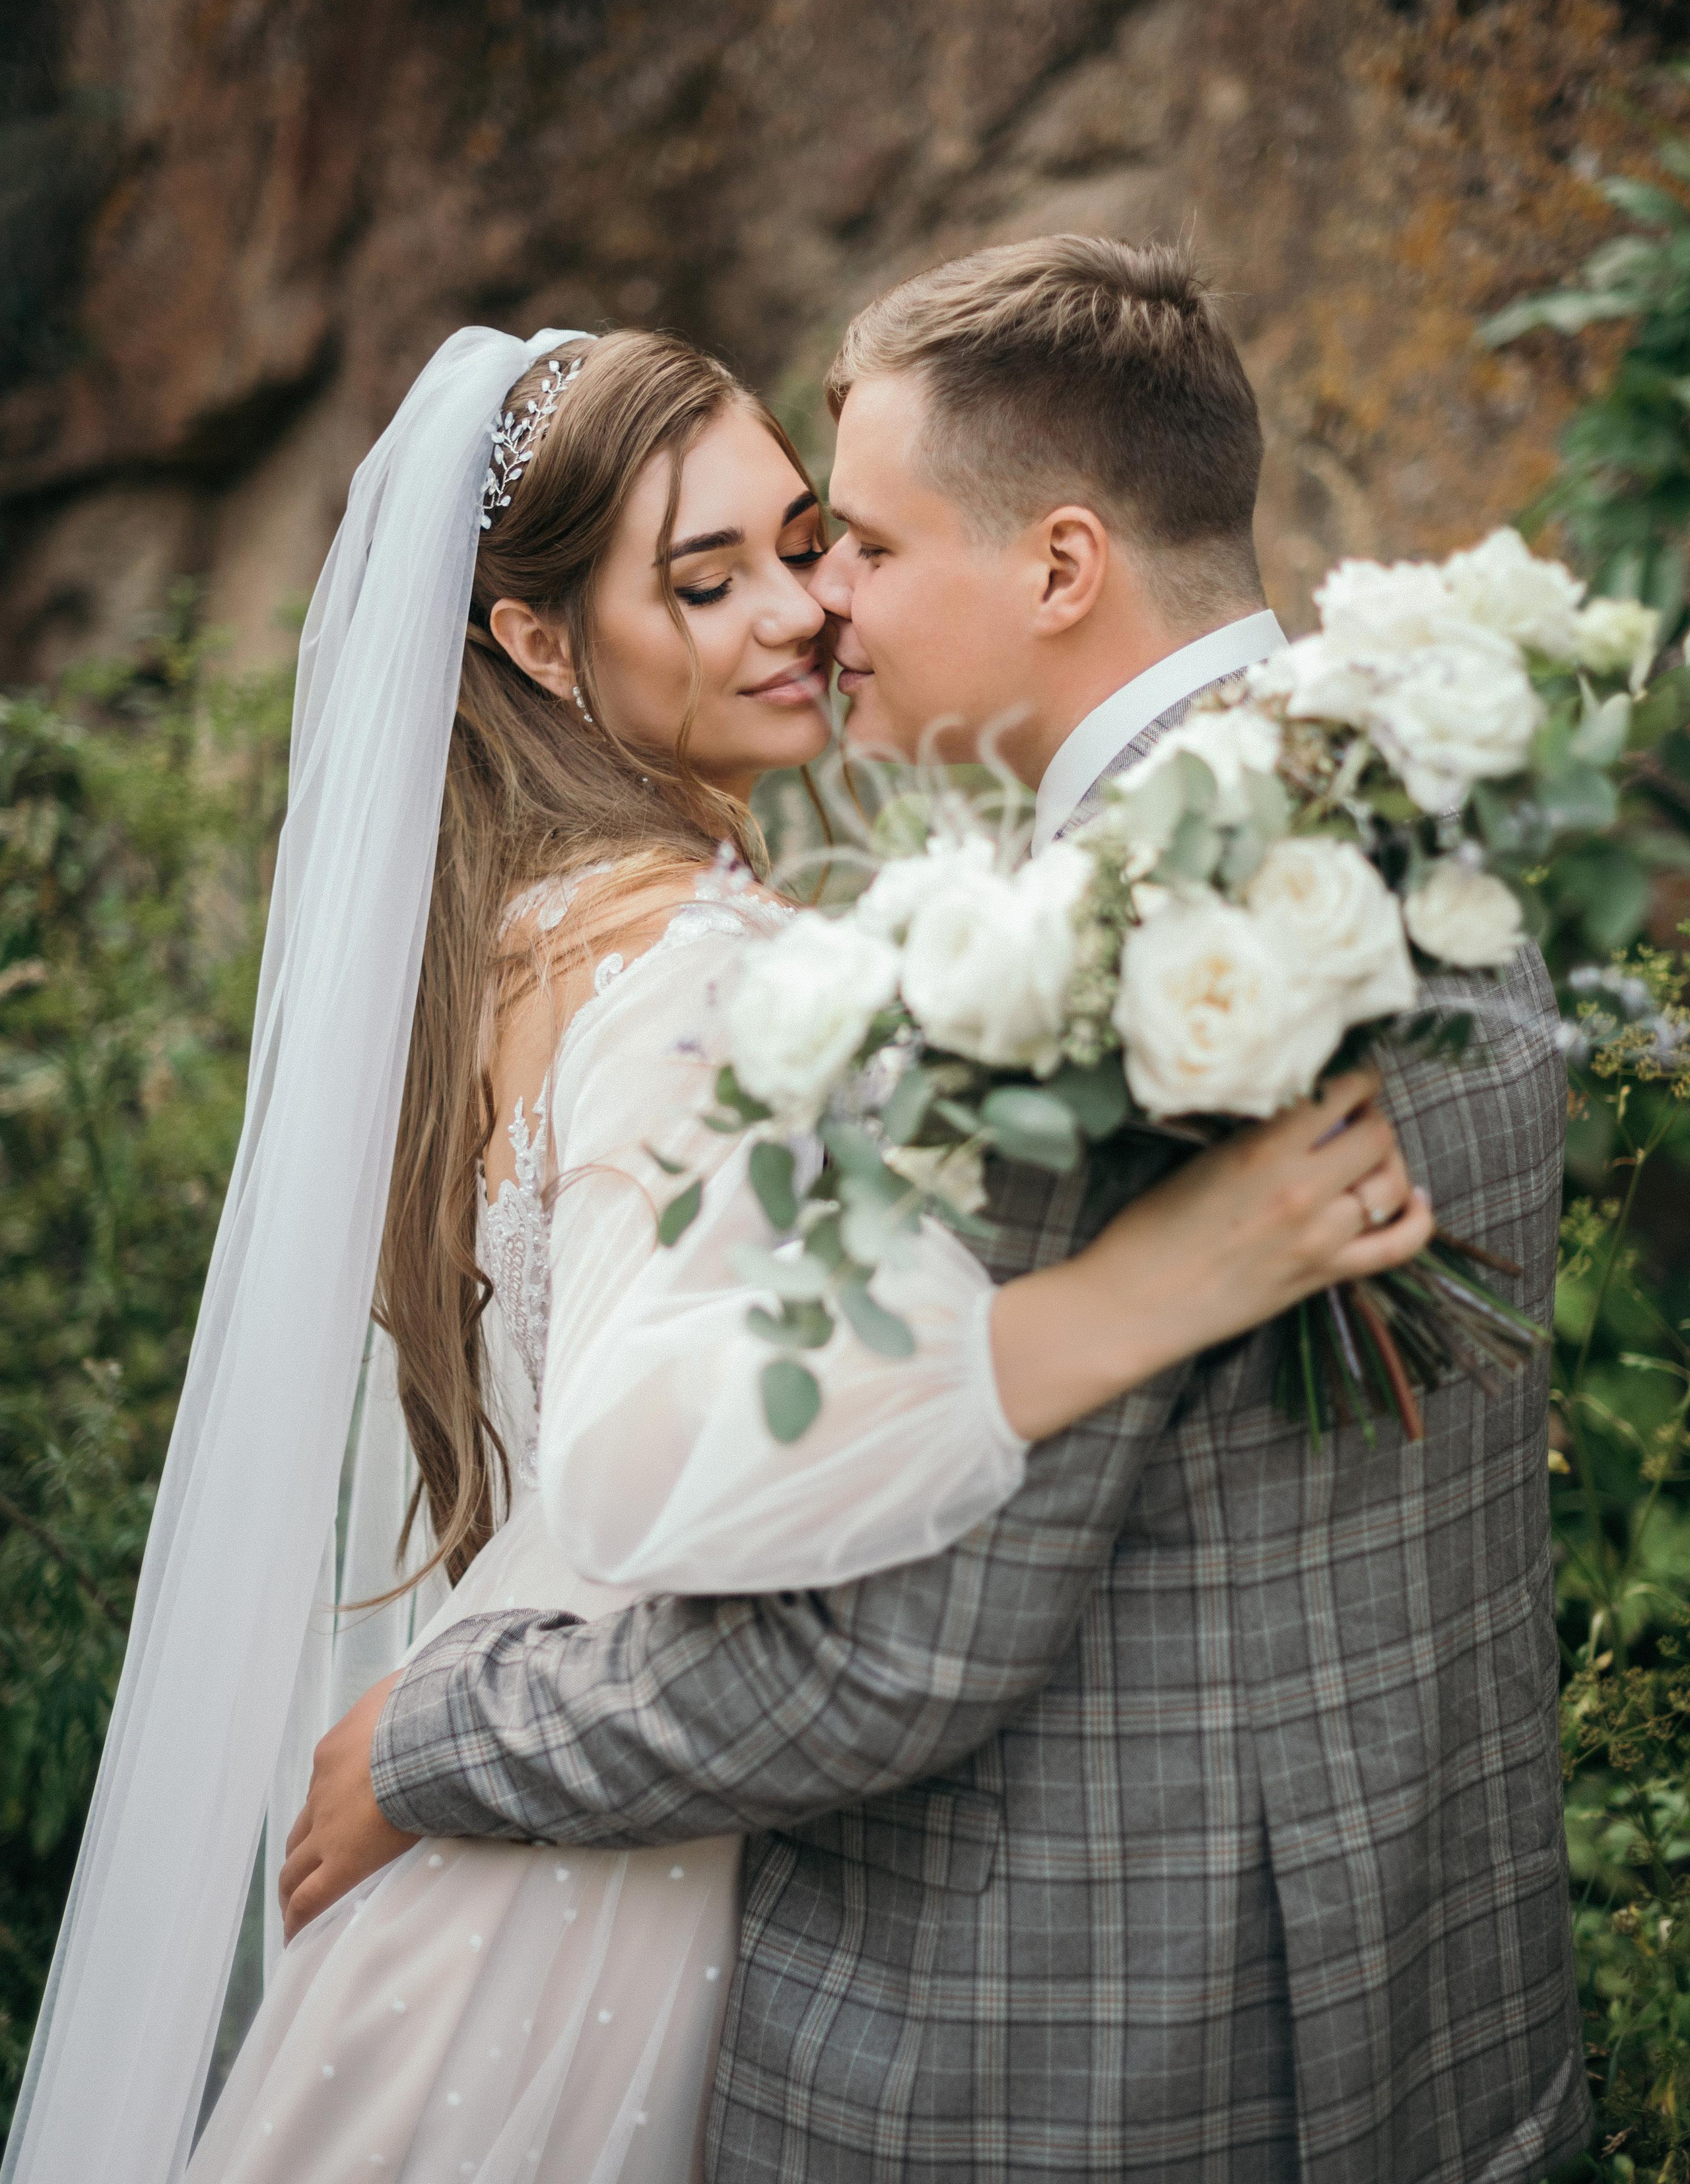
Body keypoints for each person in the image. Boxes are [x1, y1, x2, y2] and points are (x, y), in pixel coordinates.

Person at [3, 307, 1430, 2184]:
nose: (802, 615)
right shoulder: (696, 971)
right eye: (708, 579)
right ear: (531, 638)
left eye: (809, 543)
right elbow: (654, 1468)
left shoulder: (528, 927)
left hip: (558, 1859)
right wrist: (1127, 1300)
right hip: (605, 1898)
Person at [297, 240, 1588, 2183]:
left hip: (1073, 2069)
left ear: (1060, 566)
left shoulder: (1102, 992)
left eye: (857, 546)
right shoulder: (1415, 816)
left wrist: (428, 1741)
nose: (824, 609)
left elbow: (873, 1665)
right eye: (735, 570)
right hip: (1449, 2023)